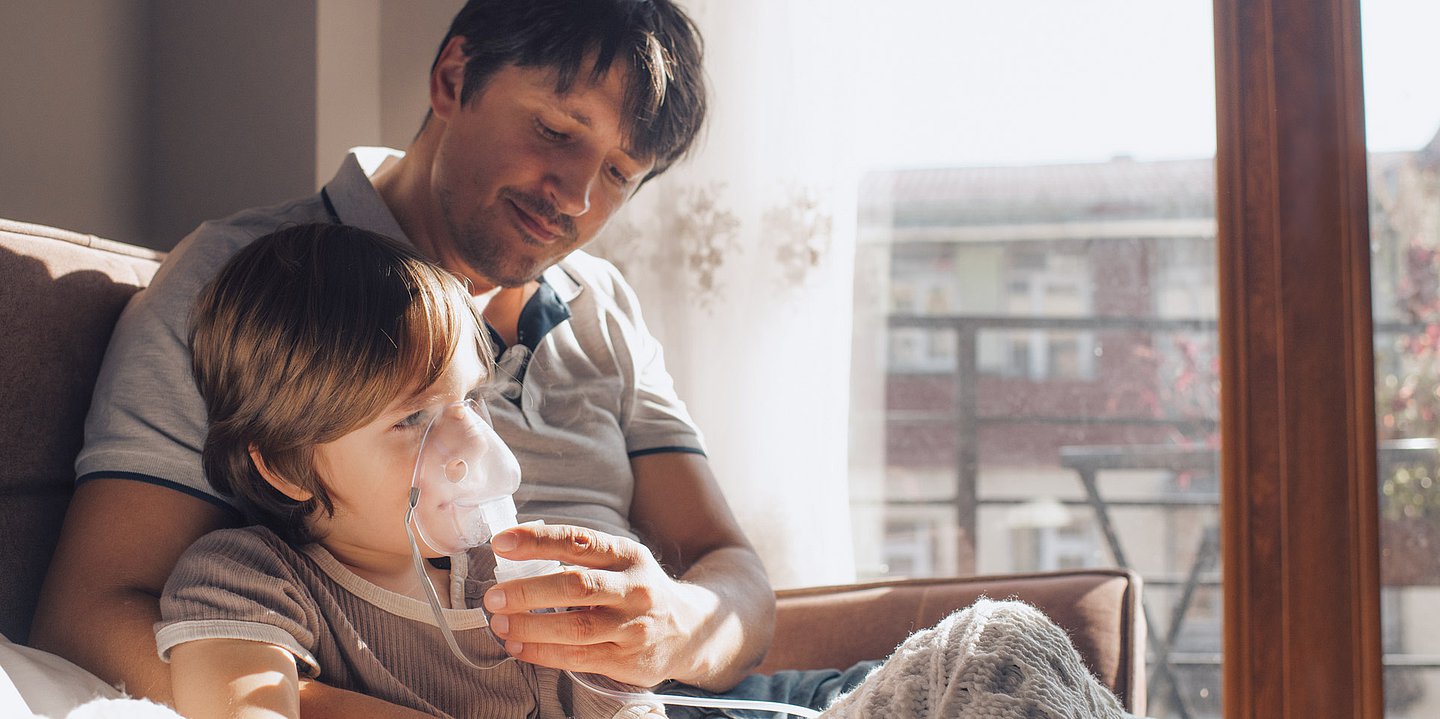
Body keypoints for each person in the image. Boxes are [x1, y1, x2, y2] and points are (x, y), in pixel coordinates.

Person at [33, 2, 780, 717]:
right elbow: (86, 617)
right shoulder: (239, 291)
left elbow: (734, 570)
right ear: (454, 77)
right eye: (556, 130)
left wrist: (673, 624)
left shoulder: (603, 302)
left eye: (619, 172)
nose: (579, 196)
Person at [164, 223, 663, 719]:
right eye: (411, 419)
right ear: (281, 467)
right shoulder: (249, 581)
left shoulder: (518, 587)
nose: (473, 441)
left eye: (470, 398)